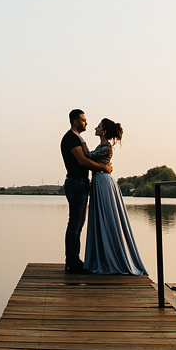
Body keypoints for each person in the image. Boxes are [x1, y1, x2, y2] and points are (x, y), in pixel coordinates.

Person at [83, 118, 146, 275]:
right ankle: (101, 257)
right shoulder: (102, 146)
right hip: (99, 181)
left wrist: (81, 145)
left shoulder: (106, 147)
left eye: (98, 126)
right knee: (100, 218)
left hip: (103, 181)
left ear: (104, 131)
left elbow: (88, 157)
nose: (95, 128)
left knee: (107, 218)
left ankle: (111, 258)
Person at [60, 109, 111, 274]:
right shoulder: (71, 138)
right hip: (75, 183)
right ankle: (71, 262)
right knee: (74, 223)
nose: (86, 123)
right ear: (75, 121)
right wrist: (104, 167)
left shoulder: (77, 137)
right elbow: (82, 161)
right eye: (83, 120)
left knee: (79, 223)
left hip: (80, 183)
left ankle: (75, 260)